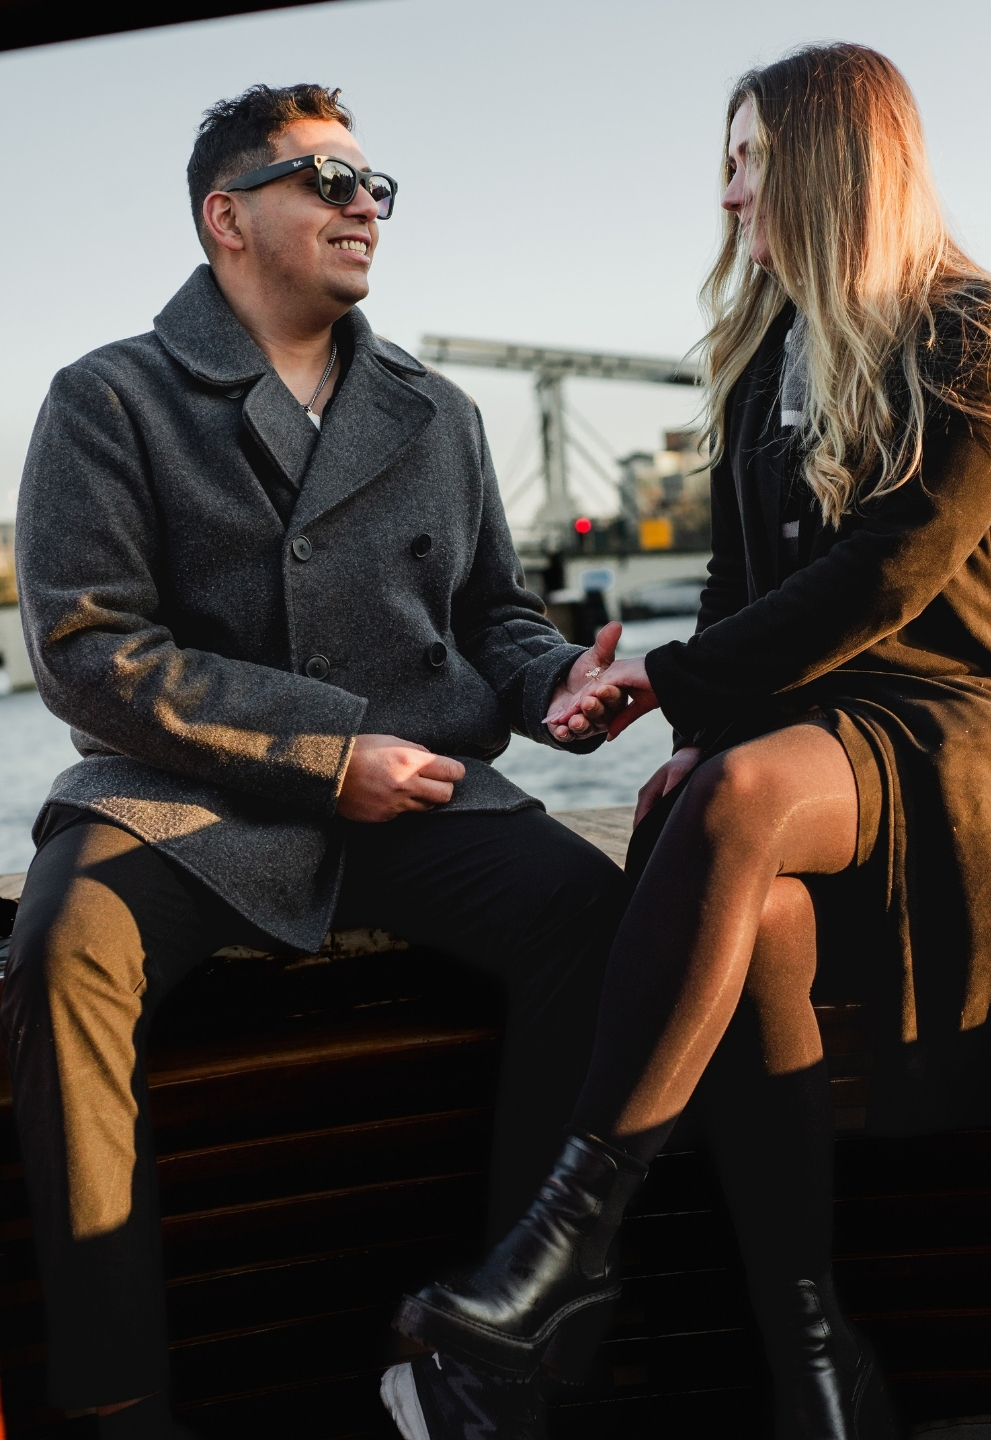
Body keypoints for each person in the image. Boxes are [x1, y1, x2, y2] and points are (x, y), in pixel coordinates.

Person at [396, 43, 991, 1439]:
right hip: (822, 738)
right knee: (743, 883)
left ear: (834, 157)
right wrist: (680, 713)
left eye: (749, 157)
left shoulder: (977, 330)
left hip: (963, 728)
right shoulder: (765, 356)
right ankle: (818, 1367)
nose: (727, 194)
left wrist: (670, 686)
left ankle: (559, 1251)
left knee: (735, 785)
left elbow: (888, 574)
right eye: (727, 160)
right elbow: (736, 590)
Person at [2, 83, 631, 1440]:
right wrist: (323, 748)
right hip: (186, 798)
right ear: (227, 218)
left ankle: (494, 1355)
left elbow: (489, 617)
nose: (364, 202)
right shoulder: (107, 398)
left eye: (371, 182)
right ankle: (118, 1403)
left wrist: (553, 684)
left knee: (594, 915)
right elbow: (85, 648)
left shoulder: (437, 413)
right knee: (63, 954)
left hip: (411, 790)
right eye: (323, 177)